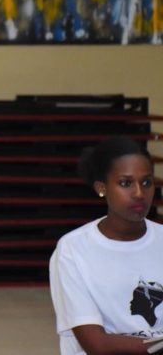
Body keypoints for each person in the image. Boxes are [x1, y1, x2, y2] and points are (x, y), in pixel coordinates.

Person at [49, 136, 163, 354]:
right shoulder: (73, 250)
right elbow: (97, 345)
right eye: (126, 183)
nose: (139, 193)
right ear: (101, 188)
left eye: (146, 182)